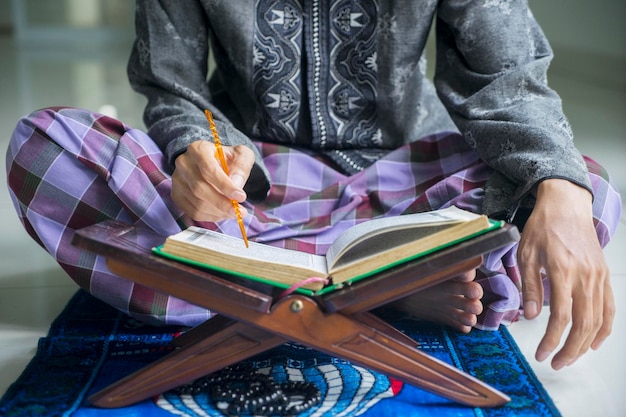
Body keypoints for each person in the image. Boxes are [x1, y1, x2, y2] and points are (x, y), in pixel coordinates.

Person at [5, 0, 621, 374]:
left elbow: (506, 81)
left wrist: (562, 191)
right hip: (254, 195)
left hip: (413, 182)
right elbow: (173, 89)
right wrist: (194, 150)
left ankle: (257, 286)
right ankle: (393, 286)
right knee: (46, 144)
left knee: (588, 189)